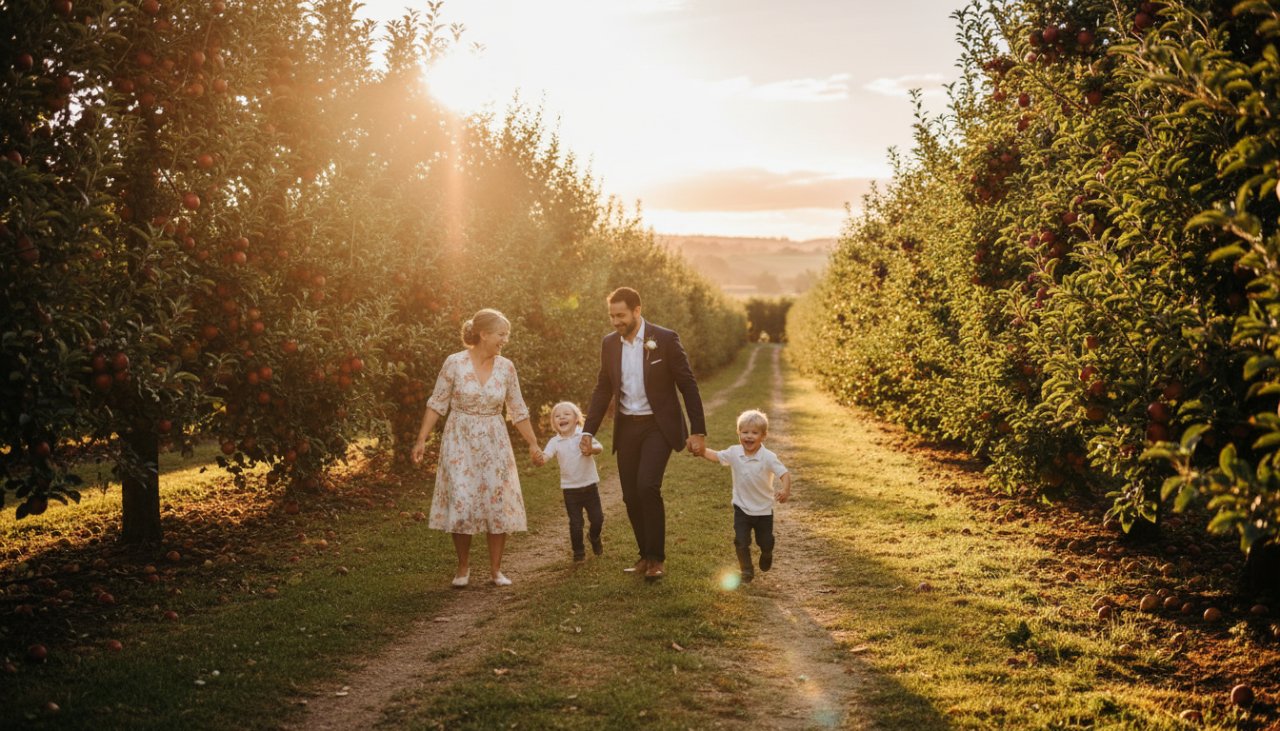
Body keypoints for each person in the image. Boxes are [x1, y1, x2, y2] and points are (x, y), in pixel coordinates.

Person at [411, 308, 544, 588]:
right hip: (460, 439)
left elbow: (517, 409)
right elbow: (437, 402)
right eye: (501, 334)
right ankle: (463, 568)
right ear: (483, 334)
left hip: (494, 440)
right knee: (462, 497)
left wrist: (532, 443)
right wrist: (422, 439)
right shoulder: (455, 363)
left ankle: (496, 571)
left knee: (497, 501)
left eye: (506, 334)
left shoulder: (507, 368)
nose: (504, 340)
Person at [581, 287, 706, 581]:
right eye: (611, 316)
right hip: (627, 426)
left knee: (647, 486)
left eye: (621, 315)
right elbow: (602, 389)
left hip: (658, 426)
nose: (615, 321)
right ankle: (644, 555)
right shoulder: (609, 344)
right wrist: (587, 430)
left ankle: (657, 559)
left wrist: (698, 430)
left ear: (637, 311)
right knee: (630, 496)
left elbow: (687, 385)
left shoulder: (665, 339)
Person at [697, 409, 792, 584]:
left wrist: (785, 490)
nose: (749, 436)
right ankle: (746, 570)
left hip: (763, 510)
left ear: (763, 436)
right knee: (741, 541)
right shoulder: (734, 452)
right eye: (745, 432)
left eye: (754, 433)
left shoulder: (768, 457)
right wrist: (701, 450)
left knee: (765, 541)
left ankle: (767, 552)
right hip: (741, 508)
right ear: (738, 433)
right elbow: (716, 456)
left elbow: (784, 474)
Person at [540, 401, 605, 562]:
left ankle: (594, 537)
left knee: (597, 519)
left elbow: (599, 447)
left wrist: (591, 449)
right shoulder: (555, 442)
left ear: (576, 418)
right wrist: (537, 458)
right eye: (557, 416)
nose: (561, 417)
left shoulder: (583, 434)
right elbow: (544, 457)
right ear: (554, 423)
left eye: (566, 414)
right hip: (570, 490)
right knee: (576, 523)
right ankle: (579, 552)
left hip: (590, 486)